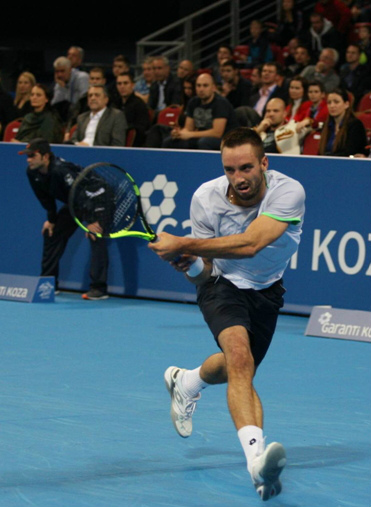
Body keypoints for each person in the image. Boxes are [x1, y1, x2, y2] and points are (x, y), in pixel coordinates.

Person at [148, 126, 306, 501]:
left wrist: (182, 243)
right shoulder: (205, 197)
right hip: (222, 285)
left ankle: (187, 381)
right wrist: (188, 265)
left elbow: (252, 243)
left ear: (264, 163)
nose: (238, 179)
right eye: (230, 170)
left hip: (267, 290)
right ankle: (257, 465)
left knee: (239, 367)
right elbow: (203, 273)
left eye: (246, 168)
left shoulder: (289, 191)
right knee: (240, 358)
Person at [20, 138, 110, 300]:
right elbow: (45, 198)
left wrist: (93, 220)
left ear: (45, 156)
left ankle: (99, 288)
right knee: (51, 234)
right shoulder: (32, 172)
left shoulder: (60, 171)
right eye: (27, 156)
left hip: (98, 197)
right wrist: (52, 219)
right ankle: (48, 284)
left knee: (95, 236)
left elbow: (84, 195)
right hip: (75, 200)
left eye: (32, 155)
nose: (28, 160)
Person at [162, 72, 238, 151]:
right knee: (169, 141)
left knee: (204, 142)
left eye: (205, 85)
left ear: (213, 88)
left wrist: (190, 134)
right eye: (198, 85)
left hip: (226, 139)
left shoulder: (221, 103)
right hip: (202, 137)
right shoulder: (193, 102)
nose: (201, 89)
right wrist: (179, 133)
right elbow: (188, 128)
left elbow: (217, 133)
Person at [318, 87, 367, 156]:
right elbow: (320, 153)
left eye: (336, 102)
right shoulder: (326, 126)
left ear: (346, 104)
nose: (332, 106)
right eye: (329, 102)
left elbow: (349, 152)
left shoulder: (355, 125)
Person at [115, 72, 150, 146]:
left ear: (133, 85)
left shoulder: (139, 105)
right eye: (119, 84)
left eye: (125, 83)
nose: (122, 86)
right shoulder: (114, 103)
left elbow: (142, 129)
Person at [51, 56, 89, 123]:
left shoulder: (82, 78)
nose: (59, 75)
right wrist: (62, 88)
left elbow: (84, 102)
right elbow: (55, 105)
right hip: (68, 118)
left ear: (70, 69)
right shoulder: (59, 83)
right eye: (57, 72)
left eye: (62, 71)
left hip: (83, 116)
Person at [339, 43, 371, 108]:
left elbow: (362, 92)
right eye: (348, 52)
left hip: (358, 105)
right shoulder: (343, 70)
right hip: (344, 104)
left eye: (353, 53)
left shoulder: (366, 72)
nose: (349, 55)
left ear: (359, 55)